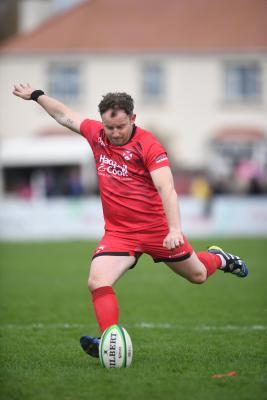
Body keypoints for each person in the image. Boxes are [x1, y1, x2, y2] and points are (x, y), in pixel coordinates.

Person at [13, 84, 248, 359]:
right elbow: (64, 115)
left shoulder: (149, 145)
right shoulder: (97, 135)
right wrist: (38, 96)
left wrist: (174, 229)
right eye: (109, 127)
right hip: (119, 234)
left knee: (197, 275)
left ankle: (219, 259)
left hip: (158, 231)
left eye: (120, 127)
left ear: (133, 119)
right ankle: (109, 340)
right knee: (97, 280)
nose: (113, 133)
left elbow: (167, 189)